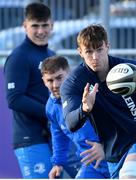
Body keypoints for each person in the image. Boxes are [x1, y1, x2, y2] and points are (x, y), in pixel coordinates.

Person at [60, 24, 136, 179]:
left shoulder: (132, 69)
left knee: (131, 175)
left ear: (107, 47)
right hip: (114, 153)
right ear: (80, 52)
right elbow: (70, 123)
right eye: (89, 51)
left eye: (99, 49)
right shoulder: (74, 83)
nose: (95, 57)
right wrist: (84, 109)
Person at [4, 3, 79, 178]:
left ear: (52, 25)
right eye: (35, 26)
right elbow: (14, 99)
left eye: (44, 25)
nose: (40, 31)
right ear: (25, 26)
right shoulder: (19, 57)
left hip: (56, 136)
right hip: (30, 138)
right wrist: (52, 113)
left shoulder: (51, 55)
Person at [41, 55, 110, 179]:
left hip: (115, 158)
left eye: (59, 78)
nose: (55, 85)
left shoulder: (88, 95)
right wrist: (58, 163)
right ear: (43, 81)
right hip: (91, 166)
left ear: (69, 74)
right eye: (50, 80)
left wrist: (105, 147)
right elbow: (58, 134)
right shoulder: (51, 107)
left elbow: (119, 123)